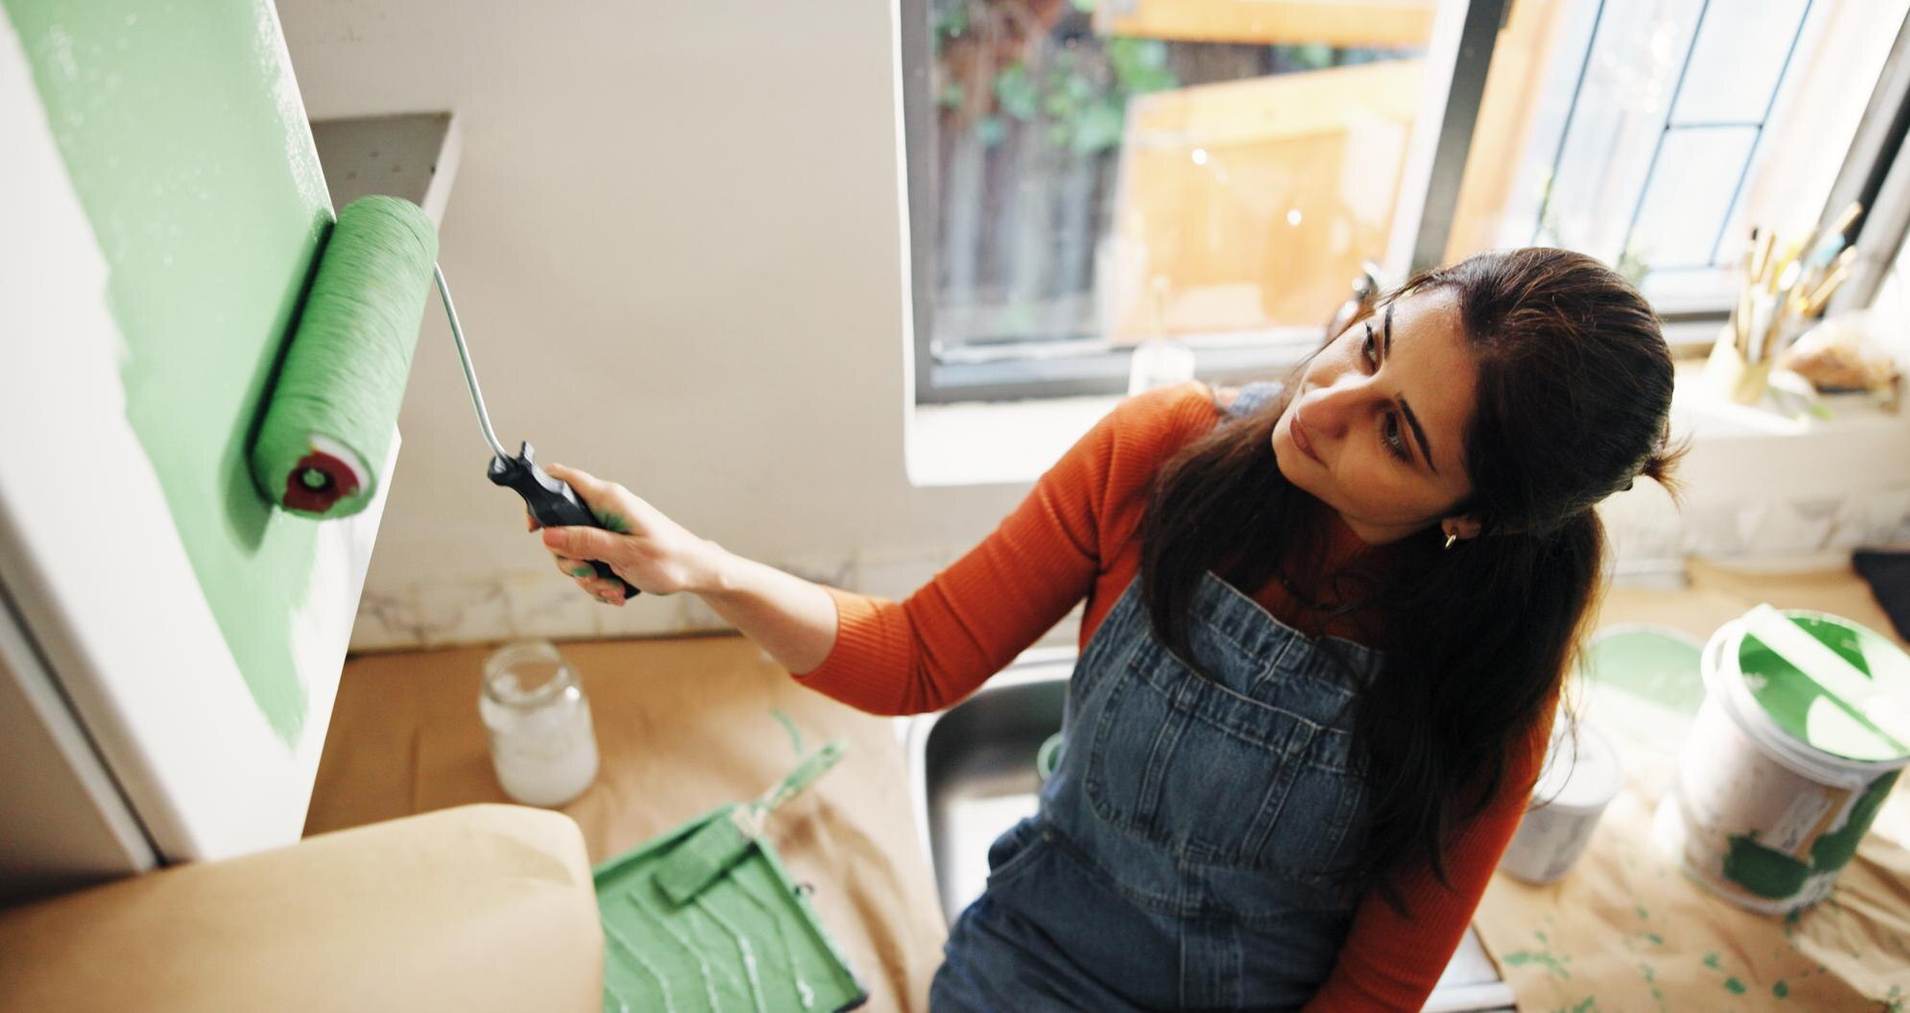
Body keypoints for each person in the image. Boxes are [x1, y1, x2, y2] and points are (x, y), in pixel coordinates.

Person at [531, 247, 1680, 1010]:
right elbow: (921, 654)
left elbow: (1370, 996)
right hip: (1037, 949)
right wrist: (707, 567)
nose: (1320, 405)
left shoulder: (1490, 685)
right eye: (1371, 343)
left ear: (1469, 517)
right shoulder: (1159, 453)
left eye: (1398, 436)